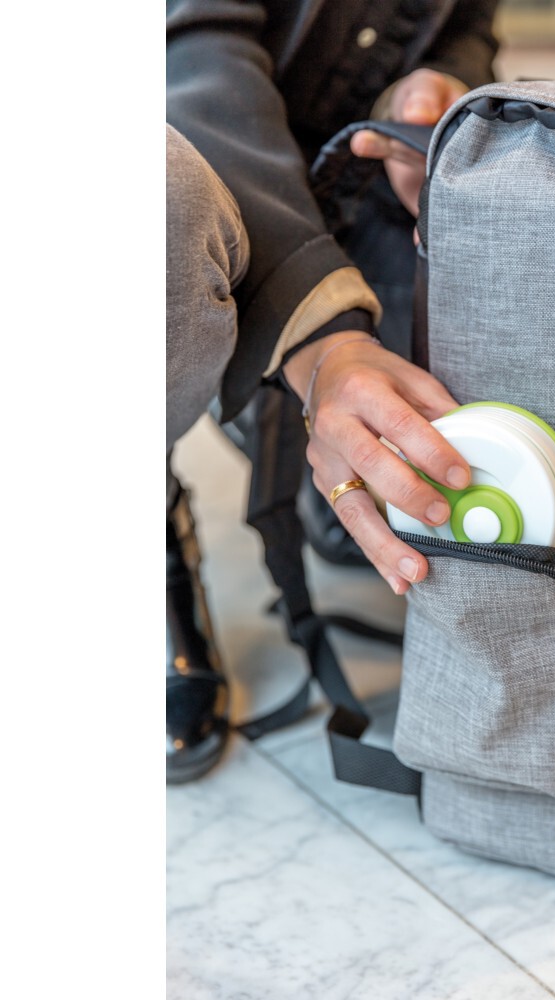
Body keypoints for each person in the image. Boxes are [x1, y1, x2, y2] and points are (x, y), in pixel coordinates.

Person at [166, 0, 501, 783]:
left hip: (340, 180)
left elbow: (470, 24)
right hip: (189, 129)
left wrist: (432, 85)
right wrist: (325, 340)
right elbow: (189, 50)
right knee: (161, 209)